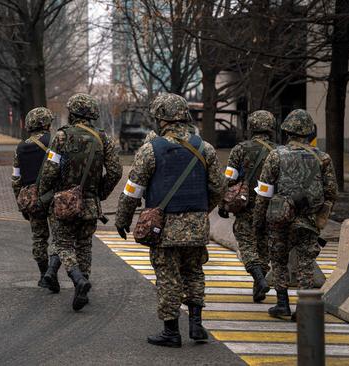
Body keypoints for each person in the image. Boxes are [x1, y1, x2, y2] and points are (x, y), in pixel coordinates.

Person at [115, 93, 224, 348]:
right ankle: (196, 325)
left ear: (161, 118)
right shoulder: (204, 147)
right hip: (197, 226)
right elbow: (218, 187)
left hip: (163, 228)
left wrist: (123, 218)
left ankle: (171, 331)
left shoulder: (151, 149)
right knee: (194, 272)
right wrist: (201, 211)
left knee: (168, 276)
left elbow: (134, 189)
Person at [38, 93, 122, 311]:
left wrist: (45, 193)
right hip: (90, 203)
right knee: (84, 245)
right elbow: (115, 171)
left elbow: (49, 170)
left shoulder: (62, 136)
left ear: (72, 113)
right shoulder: (104, 138)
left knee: (64, 244)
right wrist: (99, 193)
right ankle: (81, 286)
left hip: (64, 202)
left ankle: (77, 279)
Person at [253, 109, 338, 318]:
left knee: (279, 260)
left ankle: (282, 303)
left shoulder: (276, 155)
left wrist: (258, 220)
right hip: (309, 220)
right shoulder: (323, 158)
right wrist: (321, 217)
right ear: (310, 132)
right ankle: (304, 308)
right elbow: (331, 192)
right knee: (305, 262)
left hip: (279, 218)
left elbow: (264, 191)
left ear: (287, 131)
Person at [221, 110, 277, 303]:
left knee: (246, 242)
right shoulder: (279, 151)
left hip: (245, 205)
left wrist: (223, 203)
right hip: (270, 206)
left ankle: (259, 279)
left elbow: (229, 178)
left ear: (251, 127)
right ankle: (258, 286)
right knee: (263, 246)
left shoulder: (240, 149)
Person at [12, 107, 55, 288]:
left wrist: (21, 203)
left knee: (39, 238)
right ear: (46, 123)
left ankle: (43, 274)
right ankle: (52, 272)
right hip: (53, 196)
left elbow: (16, 179)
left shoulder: (21, 147)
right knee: (59, 238)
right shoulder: (53, 142)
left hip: (32, 199)